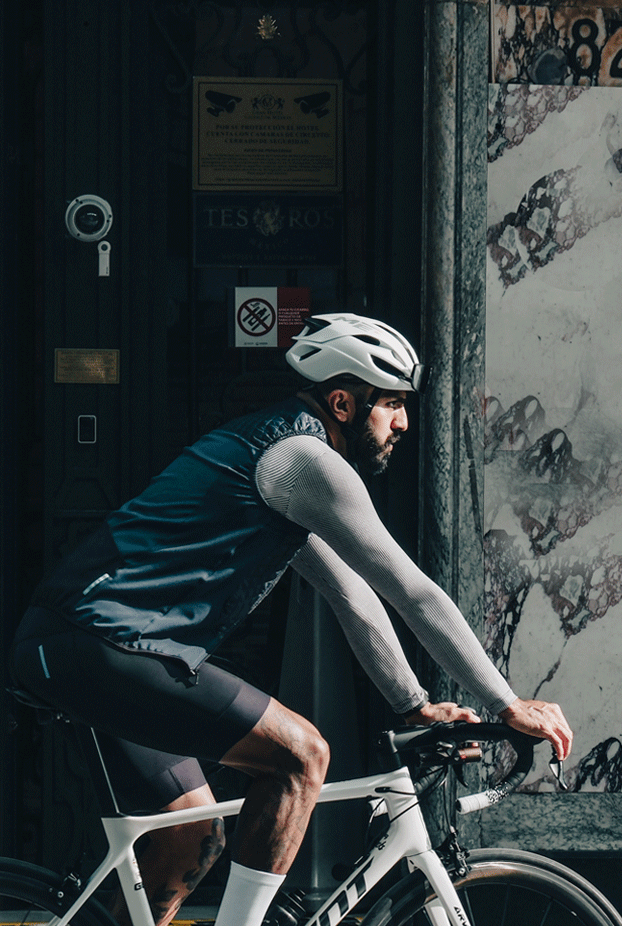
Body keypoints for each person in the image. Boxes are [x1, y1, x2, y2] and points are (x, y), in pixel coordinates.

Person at [9, 313, 572, 926]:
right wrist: (506, 700)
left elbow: (352, 594)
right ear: (342, 401)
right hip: (102, 640)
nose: (405, 422)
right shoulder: (305, 460)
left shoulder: (280, 461)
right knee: (303, 754)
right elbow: (412, 590)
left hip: (89, 644)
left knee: (190, 838)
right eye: (392, 405)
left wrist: (413, 706)